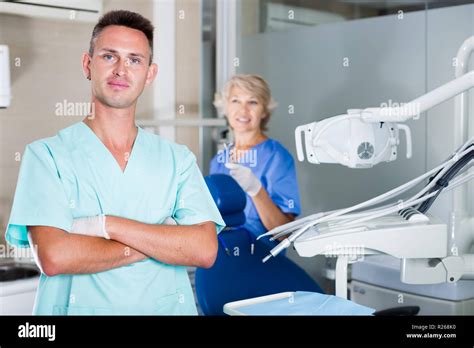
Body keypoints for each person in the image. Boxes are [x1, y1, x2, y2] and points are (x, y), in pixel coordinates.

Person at [4, 10, 224, 315]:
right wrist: (162, 241)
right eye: (109, 56)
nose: (122, 70)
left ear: (149, 74)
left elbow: (204, 249)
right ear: (87, 64)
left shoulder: (177, 159)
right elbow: (54, 256)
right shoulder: (46, 156)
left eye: (135, 60)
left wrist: (104, 226)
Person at [210, 74, 300, 249]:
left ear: (264, 111)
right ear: (225, 108)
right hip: (222, 255)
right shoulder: (218, 161)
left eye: (253, 102)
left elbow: (285, 234)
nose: (243, 110)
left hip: (260, 260)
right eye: (236, 101)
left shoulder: (277, 158)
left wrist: (256, 191)